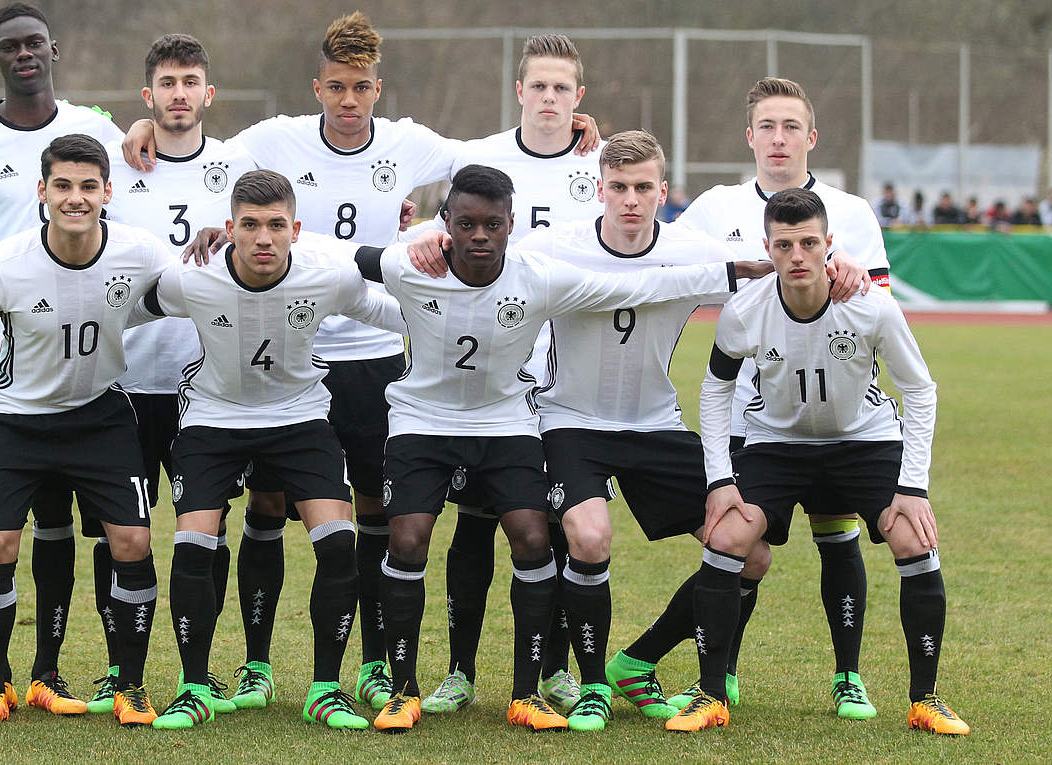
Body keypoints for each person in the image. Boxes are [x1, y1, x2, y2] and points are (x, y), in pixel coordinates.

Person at [121, 12, 597, 711]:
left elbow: (493, 158)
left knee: (374, 508)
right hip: (295, 350)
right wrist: (139, 133)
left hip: (375, 352)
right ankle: (257, 663)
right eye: (337, 88)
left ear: (379, 89)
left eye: (362, 88)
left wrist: (576, 133)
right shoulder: (273, 138)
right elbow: (202, 149)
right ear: (318, 87)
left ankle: (375, 660)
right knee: (269, 499)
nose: (349, 101)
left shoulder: (410, 144)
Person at [358, 164, 766, 733]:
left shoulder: (540, 275)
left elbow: (636, 287)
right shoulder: (415, 263)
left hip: (506, 423)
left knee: (531, 535)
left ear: (510, 226)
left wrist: (737, 270)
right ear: (447, 224)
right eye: (466, 224)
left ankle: (530, 692)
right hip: (423, 421)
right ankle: (404, 688)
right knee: (407, 536)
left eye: (492, 225)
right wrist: (402, 237)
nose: (480, 236)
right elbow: (345, 261)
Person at [667, 187, 968, 736]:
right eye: (785, 245)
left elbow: (920, 392)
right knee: (727, 537)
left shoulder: (871, 306)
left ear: (829, 245)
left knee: (913, 539)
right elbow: (713, 391)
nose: (798, 256)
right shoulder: (744, 311)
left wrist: (914, 487)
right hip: (776, 444)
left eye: (809, 243)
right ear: (768, 247)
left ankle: (925, 698)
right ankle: (711, 694)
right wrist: (719, 480)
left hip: (863, 441)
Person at [131, 168, 407, 730]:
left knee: (337, 545)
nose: (263, 238)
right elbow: (126, 310)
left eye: (276, 225)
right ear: (228, 228)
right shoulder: (193, 279)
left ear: (296, 229)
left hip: (299, 418)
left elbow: (397, 315)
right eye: (250, 225)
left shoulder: (326, 278)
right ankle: (192, 687)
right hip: (214, 419)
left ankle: (325, 689)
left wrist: (465, 304)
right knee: (193, 545)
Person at [0, 2, 127, 716]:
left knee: (62, 524)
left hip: (79, 365)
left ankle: (48, 669)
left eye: (34, 43)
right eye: (9, 46)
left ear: (54, 51)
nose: (23, 55)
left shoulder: (96, 131)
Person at [403, 32, 606, 717]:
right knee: (475, 521)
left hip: (568, 372)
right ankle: (459, 670)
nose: (549, 98)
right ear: (519, 91)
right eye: (537, 86)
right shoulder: (477, 158)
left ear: (580, 99)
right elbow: (438, 235)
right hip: (489, 372)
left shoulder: (600, 162)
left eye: (562, 88)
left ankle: (553, 671)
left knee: (548, 522)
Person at [667, 77, 880, 717]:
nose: (779, 138)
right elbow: (650, 256)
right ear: (749, 137)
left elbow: (885, 308)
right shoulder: (714, 209)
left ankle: (849, 676)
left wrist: (858, 286)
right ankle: (722, 675)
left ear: (811, 137)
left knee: (836, 534)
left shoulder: (852, 213)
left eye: (791, 126)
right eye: (767, 126)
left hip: (836, 412)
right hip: (753, 414)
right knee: (741, 545)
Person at [0, 134, 175, 728]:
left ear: (107, 191)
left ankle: (131, 687)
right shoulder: (6, 263)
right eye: (63, 186)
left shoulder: (140, 252)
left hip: (99, 415)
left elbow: (190, 287)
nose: (76, 198)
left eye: (88, 186)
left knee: (133, 543)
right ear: (42, 191)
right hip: (15, 419)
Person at [106, 32, 256, 714]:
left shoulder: (238, 165)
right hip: (126, 381)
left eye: (190, 82)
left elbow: (277, 231)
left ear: (208, 93)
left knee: (207, 528)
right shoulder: (114, 161)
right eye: (166, 83)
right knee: (122, 534)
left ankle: (201, 667)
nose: (178, 94)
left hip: (207, 386)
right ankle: (120, 668)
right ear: (148, 94)